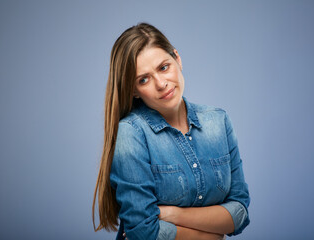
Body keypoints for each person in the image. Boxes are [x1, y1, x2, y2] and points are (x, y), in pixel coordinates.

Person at [92, 23, 250, 240]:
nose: (161, 83)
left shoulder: (218, 121)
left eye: (164, 67)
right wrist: (210, 236)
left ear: (177, 58)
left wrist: (174, 214)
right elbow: (143, 233)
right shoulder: (132, 134)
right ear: (133, 90)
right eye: (144, 79)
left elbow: (239, 212)